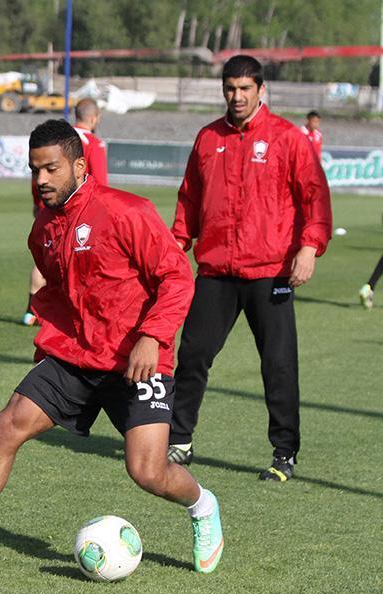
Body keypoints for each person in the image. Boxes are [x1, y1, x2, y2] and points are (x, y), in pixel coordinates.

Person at [0, 119, 223, 574]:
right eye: (34, 169)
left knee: (148, 471)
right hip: (75, 356)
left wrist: (152, 336)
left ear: (79, 166)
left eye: (51, 169)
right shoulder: (43, 227)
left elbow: (176, 277)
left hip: (137, 359)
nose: (40, 180)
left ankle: (203, 506)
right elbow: (61, 291)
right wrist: (53, 342)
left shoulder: (127, 211)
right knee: (7, 425)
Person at [168, 55, 332, 482]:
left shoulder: (287, 138)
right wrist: (177, 243)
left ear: (261, 90)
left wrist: (309, 247)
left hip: (270, 270)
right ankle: (179, 440)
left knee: (278, 364)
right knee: (192, 355)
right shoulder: (208, 138)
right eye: (230, 88)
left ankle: (284, 453)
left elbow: (315, 196)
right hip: (216, 270)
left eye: (245, 88)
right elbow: (189, 197)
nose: (237, 96)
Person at [21, 180, 46, 326]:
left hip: (45, 206)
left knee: (44, 259)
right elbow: (100, 182)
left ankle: (32, 311)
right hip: (71, 207)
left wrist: (37, 201)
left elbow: (36, 175)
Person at [73, 97, 108, 186]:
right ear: (93, 119)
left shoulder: (59, 138)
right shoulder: (94, 144)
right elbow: (100, 184)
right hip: (80, 194)